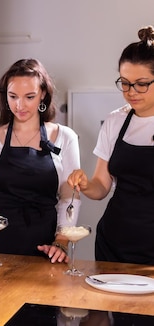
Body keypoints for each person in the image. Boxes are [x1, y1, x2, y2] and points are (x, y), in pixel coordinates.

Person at [0, 59, 80, 262]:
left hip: (45, 245)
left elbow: (70, 197)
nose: (19, 105)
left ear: (43, 95)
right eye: (13, 97)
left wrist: (62, 242)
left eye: (29, 97)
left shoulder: (65, 137)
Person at [68, 26, 154, 265]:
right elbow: (101, 187)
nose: (130, 92)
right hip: (115, 244)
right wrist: (85, 184)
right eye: (124, 83)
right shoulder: (116, 122)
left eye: (141, 84)